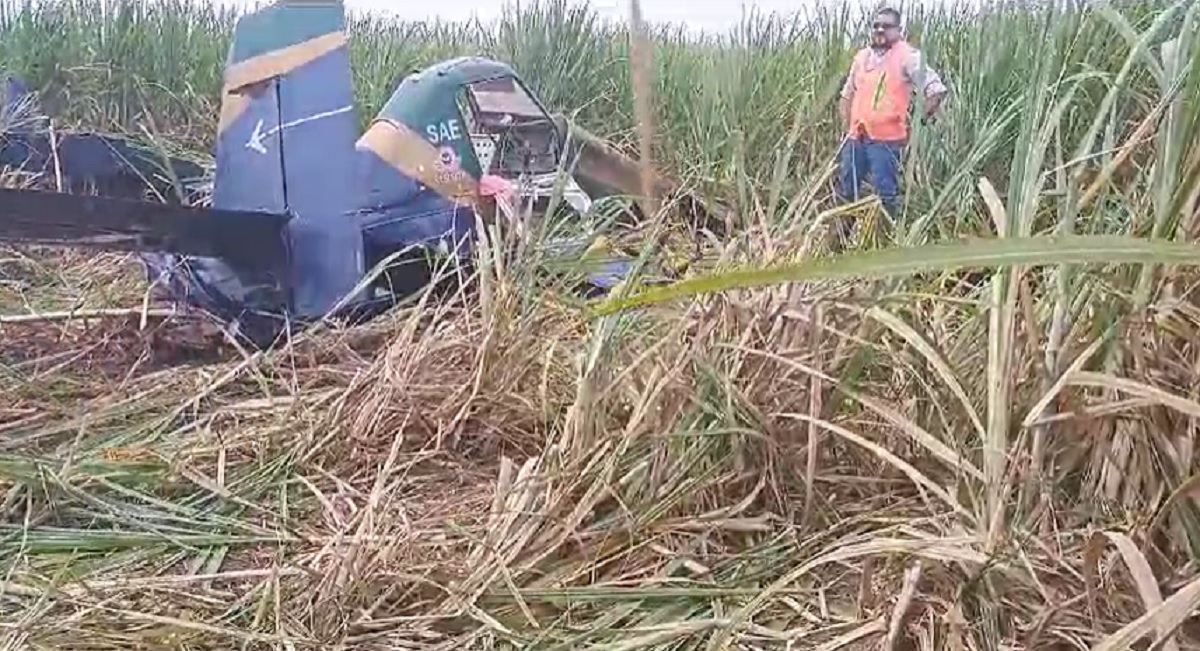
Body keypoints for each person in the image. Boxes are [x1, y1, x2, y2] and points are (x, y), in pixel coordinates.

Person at [835, 7, 948, 239]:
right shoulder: (861, 57)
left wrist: (918, 122)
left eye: (886, 26)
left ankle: (885, 244)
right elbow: (846, 95)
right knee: (846, 192)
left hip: (886, 142)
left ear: (898, 30)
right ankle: (840, 241)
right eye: (876, 25)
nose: (879, 30)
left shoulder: (907, 57)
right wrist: (847, 130)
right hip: (856, 138)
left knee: (885, 195)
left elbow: (936, 90)